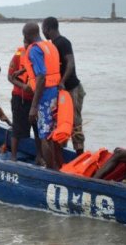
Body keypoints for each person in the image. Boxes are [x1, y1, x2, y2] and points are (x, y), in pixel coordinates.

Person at [42, 17, 86, 155]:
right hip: (61, 91)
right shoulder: (52, 45)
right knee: (61, 122)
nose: (43, 32)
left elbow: (70, 63)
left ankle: (79, 154)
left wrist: (62, 81)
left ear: (48, 29)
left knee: (74, 121)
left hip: (72, 88)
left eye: (43, 29)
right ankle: (62, 155)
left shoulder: (63, 42)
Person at [22, 22, 61, 169]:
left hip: (44, 96)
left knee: (44, 135)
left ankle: (50, 171)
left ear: (27, 35)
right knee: (52, 133)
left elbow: (41, 77)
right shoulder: (50, 46)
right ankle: (57, 165)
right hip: (55, 94)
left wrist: (33, 106)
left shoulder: (34, 50)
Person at [8, 46, 42, 163]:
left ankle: (39, 156)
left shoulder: (39, 55)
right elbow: (10, 76)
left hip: (37, 98)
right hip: (20, 97)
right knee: (17, 128)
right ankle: (13, 157)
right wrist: (23, 86)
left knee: (39, 129)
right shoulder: (18, 55)